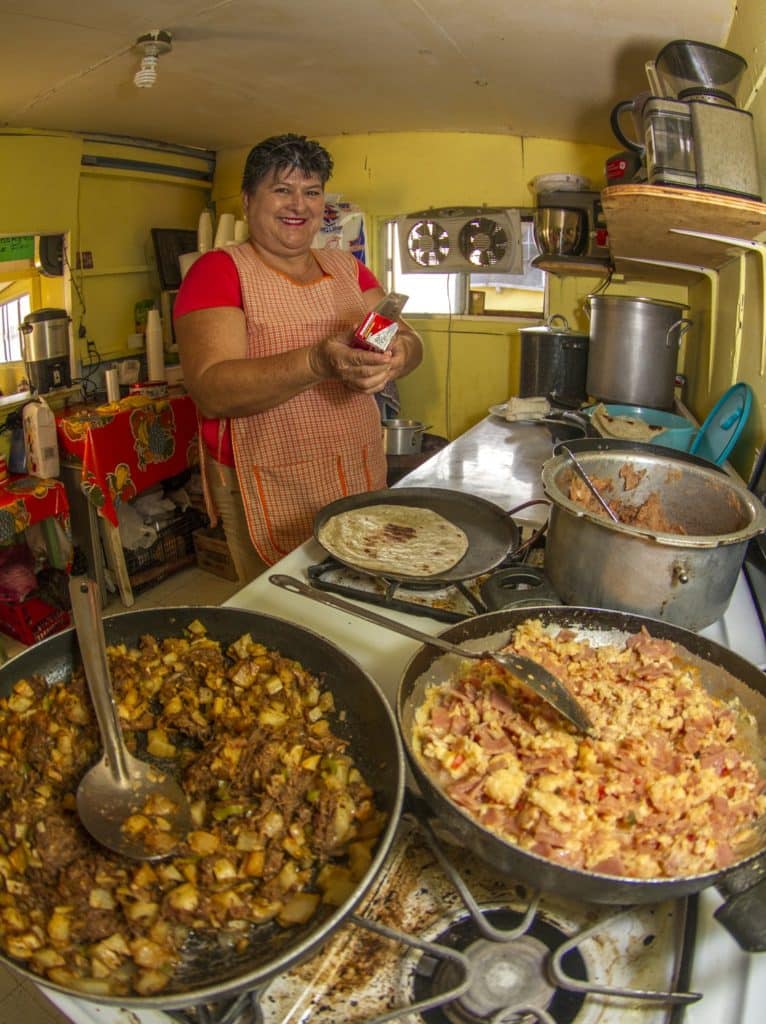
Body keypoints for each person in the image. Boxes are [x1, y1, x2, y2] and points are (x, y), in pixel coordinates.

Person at [174, 133, 422, 581]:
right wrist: (316, 364)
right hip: (268, 478)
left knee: (361, 589)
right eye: (282, 189)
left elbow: (403, 335)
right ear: (249, 201)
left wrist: (401, 353)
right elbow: (211, 389)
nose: (299, 204)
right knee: (289, 606)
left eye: (311, 192)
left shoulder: (347, 267)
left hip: (357, 465)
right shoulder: (220, 271)